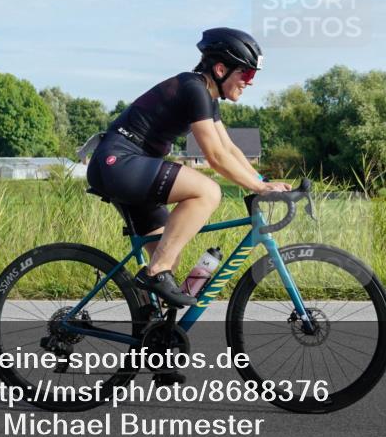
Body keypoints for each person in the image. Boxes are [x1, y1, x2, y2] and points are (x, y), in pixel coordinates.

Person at [86, 28, 291, 307]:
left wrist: (263, 180)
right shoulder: (193, 88)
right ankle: (155, 274)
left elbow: (230, 148)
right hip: (119, 162)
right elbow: (216, 156)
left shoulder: (206, 96)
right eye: (246, 73)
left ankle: (147, 325)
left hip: (131, 167)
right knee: (207, 192)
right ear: (220, 69)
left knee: (169, 251)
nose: (249, 82)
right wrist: (257, 187)